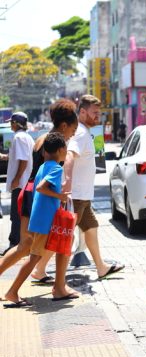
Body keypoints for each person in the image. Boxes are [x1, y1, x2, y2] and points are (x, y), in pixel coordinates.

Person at [0, 100, 79, 286]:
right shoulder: (56, 146)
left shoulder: (43, 138)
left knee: (26, 246)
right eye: (73, 129)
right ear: (64, 126)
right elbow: (49, 179)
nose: (73, 134)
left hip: (29, 193)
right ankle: (56, 286)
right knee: (32, 245)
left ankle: (51, 281)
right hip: (35, 197)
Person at [63, 95, 125, 279]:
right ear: (82, 112)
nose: (98, 116)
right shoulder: (81, 133)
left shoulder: (83, 131)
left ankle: (100, 267)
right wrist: (67, 182)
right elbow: (69, 155)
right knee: (64, 235)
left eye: (99, 113)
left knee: (91, 227)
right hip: (76, 196)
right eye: (95, 112)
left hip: (82, 196)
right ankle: (40, 269)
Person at [0, 112, 34, 254]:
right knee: (22, 214)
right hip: (25, 183)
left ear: (15, 123)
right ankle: (21, 244)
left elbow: (24, 160)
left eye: (11, 122)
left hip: (21, 184)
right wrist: (5, 157)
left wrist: (16, 179)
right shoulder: (26, 136)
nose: (10, 124)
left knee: (16, 215)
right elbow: (19, 157)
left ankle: (15, 245)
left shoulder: (19, 137)